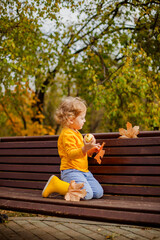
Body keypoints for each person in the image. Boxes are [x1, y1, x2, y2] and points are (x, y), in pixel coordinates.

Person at [54, 96, 104, 200]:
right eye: (82, 118)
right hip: (71, 171)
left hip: (84, 172)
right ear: (71, 119)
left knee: (98, 193)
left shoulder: (77, 133)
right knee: (87, 195)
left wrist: (91, 149)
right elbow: (71, 154)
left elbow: (81, 151)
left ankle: (69, 188)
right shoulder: (67, 134)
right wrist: (85, 148)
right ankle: (57, 185)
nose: (84, 120)